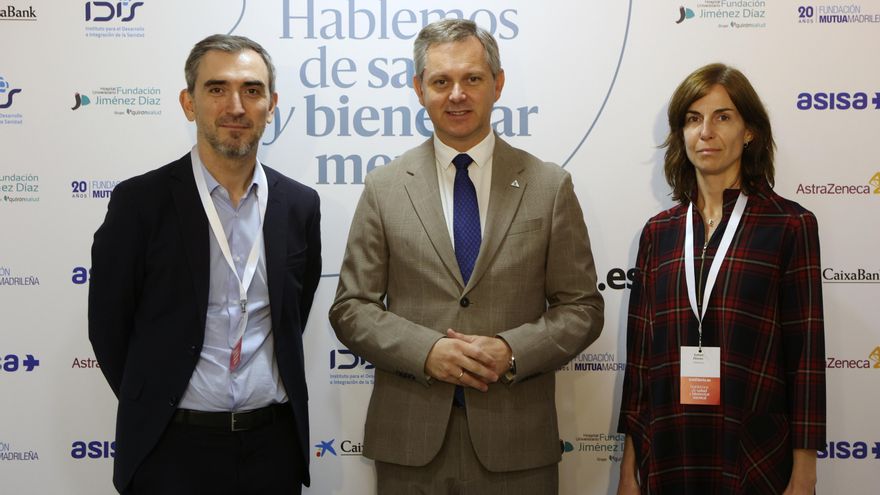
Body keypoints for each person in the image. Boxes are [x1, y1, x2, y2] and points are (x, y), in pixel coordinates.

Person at [329, 19, 604, 494]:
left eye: (472, 78)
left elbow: (582, 309)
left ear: (498, 83)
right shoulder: (384, 188)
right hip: (410, 446)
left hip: (517, 446)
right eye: (441, 81)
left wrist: (512, 350)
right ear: (419, 89)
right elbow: (351, 308)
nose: (457, 94)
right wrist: (426, 351)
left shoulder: (549, 186)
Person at [88, 34, 321, 494]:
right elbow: (108, 326)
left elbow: (298, 307)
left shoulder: (299, 205)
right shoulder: (140, 203)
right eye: (216, 89)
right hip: (170, 448)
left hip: (271, 448)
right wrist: (157, 400)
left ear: (271, 105)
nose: (235, 105)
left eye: (252, 90)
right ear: (188, 103)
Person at [617, 63, 826, 495]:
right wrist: (628, 471)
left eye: (722, 116)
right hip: (669, 451)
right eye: (693, 119)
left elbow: (805, 359)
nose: (706, 132)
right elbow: (639, 363)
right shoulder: (659, 232)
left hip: (753, 455)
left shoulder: (790, 225)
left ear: (749, 131)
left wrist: (804, 474)